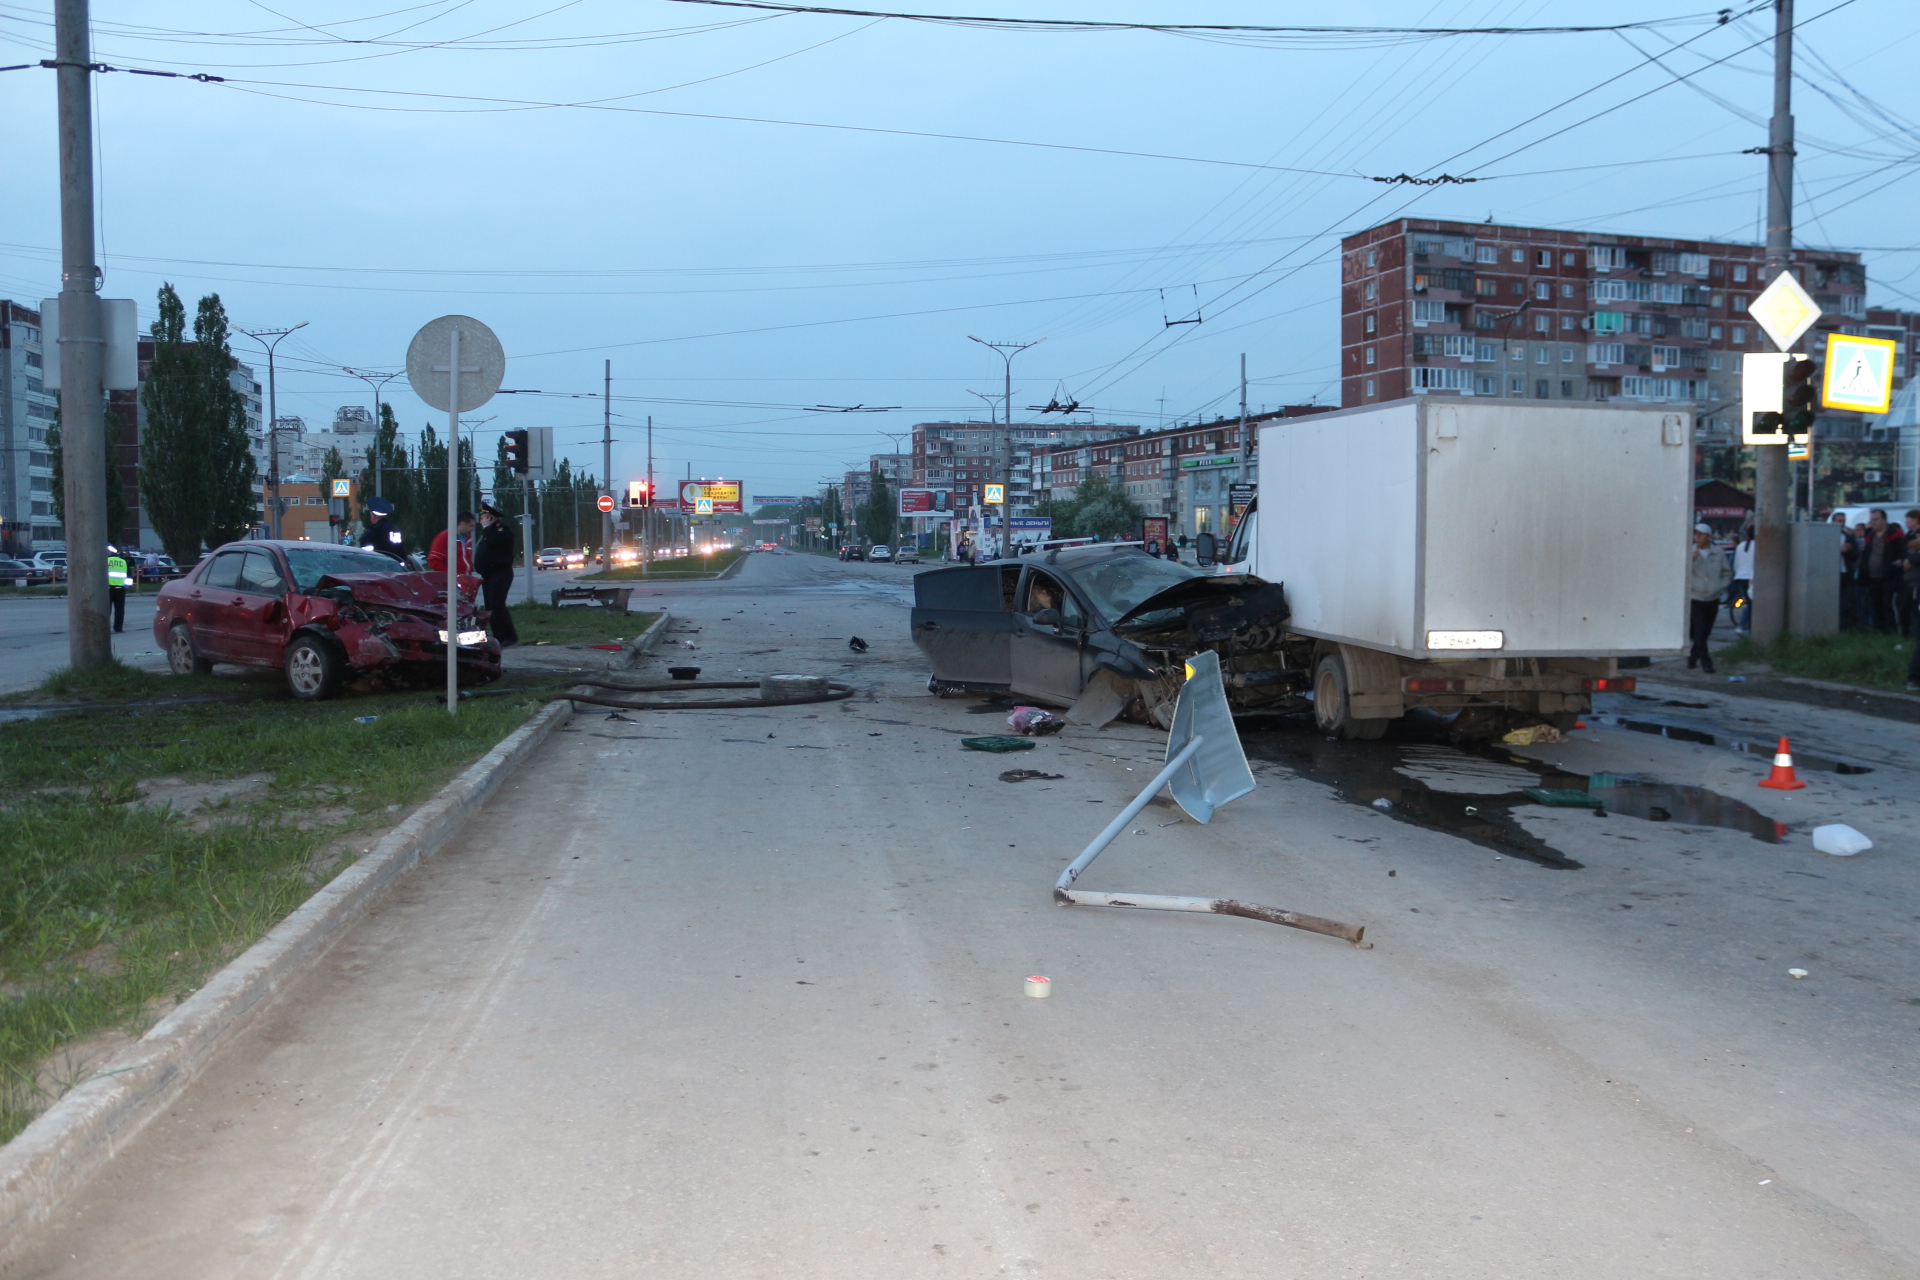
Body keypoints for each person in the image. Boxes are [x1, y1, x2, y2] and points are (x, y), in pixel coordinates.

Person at [1687, 523, 1732, 673]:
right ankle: (1706, 662)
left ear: (1708, 537)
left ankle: (1693, 657)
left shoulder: (1718, 553)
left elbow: (1727, 572)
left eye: (1701, 534)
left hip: (1713, 597)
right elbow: (1680, 573)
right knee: (1699, 630)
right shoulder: (1689, 552)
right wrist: (1691, 561)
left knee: (1706, 631)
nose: (1697, 537)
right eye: (1696, 534)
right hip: (1696, 597)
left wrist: (1720, 586)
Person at [472, 504, 518, 646]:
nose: (481, 522)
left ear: (490, 517)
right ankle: (498, 636)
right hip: (488, 574)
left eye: (483, 518)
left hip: (500, 572)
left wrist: (486, 528)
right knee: (490, 607)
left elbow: (495, 542)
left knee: (497, 604)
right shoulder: (488, 532)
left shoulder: (501, 530)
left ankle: (509, 636)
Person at [1856, 509, 1905, 633]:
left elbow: (1902, 552)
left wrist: (1897, 563)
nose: (1874, 522)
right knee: (1875, 602)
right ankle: (1879, 628)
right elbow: (1866, 553)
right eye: (1872, 519)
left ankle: (1890, 629)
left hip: (1889, 575)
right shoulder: (1870, 535)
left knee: (1887, 603)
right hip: (1872, 575)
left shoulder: (1895, 534)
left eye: (1876, 519)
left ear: (1884, 520)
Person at [359, 496, 405, 561]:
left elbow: (364, 554)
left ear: (373, 515)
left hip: (378, 567)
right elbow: (401, 550)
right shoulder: (395, 530)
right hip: (395, 567)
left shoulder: (373, 531)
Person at [1728, 523, 1754, 636]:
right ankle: (1742, 625)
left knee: (1749, 602)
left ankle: (1748, 625)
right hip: (1751, 578)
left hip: (1740, 577)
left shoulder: (1740, 546)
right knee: (1752, 604)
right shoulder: (1759, 545)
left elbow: (1736, 563)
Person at [105, 543, 130, 633]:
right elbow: (129, 575)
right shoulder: (123, 561)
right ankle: (118, 628)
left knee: (106, 610)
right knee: (119, 609)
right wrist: (127, 585)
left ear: (109, 553)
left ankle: (105, 628)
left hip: (108, 588)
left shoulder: (106, 561)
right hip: (121, 588)